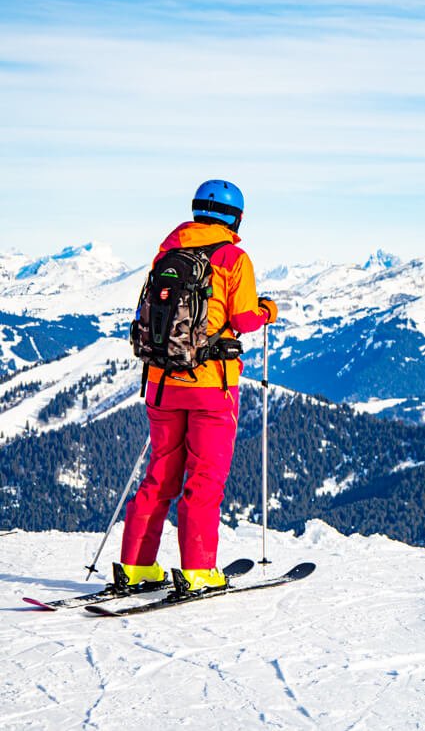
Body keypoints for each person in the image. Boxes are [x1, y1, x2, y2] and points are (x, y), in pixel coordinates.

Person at [116, 179, 279, 594]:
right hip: (211, 385)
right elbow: (243, 320)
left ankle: (136, 565)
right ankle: (198, 570)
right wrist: (267, 310)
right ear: (235, 218)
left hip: (160, 381)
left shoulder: (167, 253)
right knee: (204, 479)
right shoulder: (232, 258)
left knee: (159, 475)